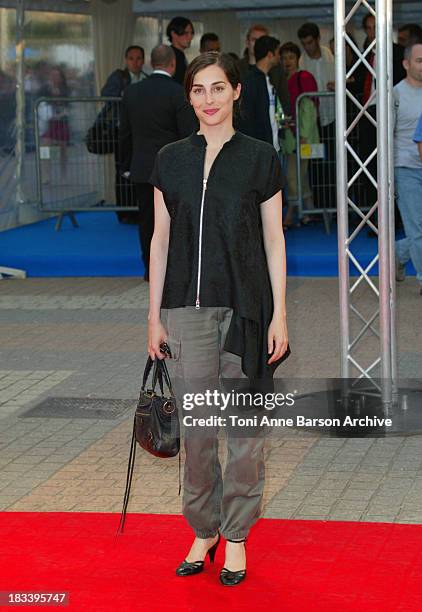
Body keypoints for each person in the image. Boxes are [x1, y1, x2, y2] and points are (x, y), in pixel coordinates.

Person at [148, 52, 288, 586]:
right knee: (200, 435)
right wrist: (154, 318)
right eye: (198, 89)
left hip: (249, 311)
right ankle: (203, 529)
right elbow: (160, 242)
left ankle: (236, 537)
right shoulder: (170, 159)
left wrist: (281, 314)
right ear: (189, 97)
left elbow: (274, 239)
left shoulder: (259, 157)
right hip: (186, 311)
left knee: (246, 434)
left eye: (218, 88)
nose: (208, 99)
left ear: (236, 92)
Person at [119, 45, 197, 281]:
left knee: (147, 221)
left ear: (150, 63)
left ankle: (150, 269)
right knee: (174, 221)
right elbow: (187, 134)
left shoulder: (132, 92)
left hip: (142, 167)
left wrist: (125, 165)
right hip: (172, 168)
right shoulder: (178, 92)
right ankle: (173, 270)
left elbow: (124, 134)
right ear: (172, 64)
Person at [101, 46, 147, 224]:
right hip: (122, 130)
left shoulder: (146, 79)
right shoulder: (119, 77)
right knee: (122, 169)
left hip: (140, 131)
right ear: (126, 60)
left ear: (143, 60)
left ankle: (136, 207)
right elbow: (106, 94)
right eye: (131, 58)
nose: (135, 62)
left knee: (137, 170)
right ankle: (124, 211)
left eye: (138, 58)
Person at [280, 42, 319, 227]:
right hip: (289, 136)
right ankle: (308, 210)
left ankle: (293, 213)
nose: (287, 61)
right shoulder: (281, 80)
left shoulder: (304, 78)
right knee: (299, 175)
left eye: (291, 57)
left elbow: (309, 108)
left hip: (303, 136)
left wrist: (303, 134)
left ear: (298, 59)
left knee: (294, 175)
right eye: (284, 57)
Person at [297, 22, 336, 209]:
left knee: (334, 162)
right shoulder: (301, 62)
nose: (307, 47)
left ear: (318, 39)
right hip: (312, 122)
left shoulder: (331, 55)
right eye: (304, 43)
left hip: (332, 117)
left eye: (310, 42)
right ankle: (320, 204)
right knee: (314, 164)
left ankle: (336, 204)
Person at [393, 41, 422, 294]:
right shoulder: (396, 94)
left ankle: (397, 254)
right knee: (417, 227)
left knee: (418, 231)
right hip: (405, 168)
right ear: (406, 64)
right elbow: (385, 136)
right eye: (419, 61)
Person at [237, 36, 283, 150]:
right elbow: (247, 118)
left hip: (270, 146)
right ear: (270, 54)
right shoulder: (251, 81)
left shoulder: (268, 79)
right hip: (259, 149)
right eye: (278, 53)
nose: (279, 57)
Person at [238, 24, 290, 115]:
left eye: (261, 40)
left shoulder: (277, 70)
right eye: (254, 40)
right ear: (247, 42)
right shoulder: (237, 68)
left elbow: (284, 98)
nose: (258, 44)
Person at [166, 16, 194, 84]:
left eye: (191, 33)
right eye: (186, 33)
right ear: (174, 34)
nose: (190, 37)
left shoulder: (179, 54)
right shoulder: (172, 56)